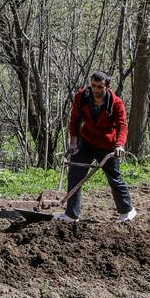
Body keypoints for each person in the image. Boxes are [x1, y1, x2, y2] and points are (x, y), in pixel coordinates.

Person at [55, 71, 136, 223]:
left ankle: (127, 210)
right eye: (93, 86)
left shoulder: (116, 103)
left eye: (100, 87)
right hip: (86, 140)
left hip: (107, 144)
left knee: (114, 177)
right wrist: (73, 142)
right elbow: (75, 120)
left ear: (107, 87)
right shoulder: (82, 97)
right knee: (75, 173)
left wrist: (119, 145)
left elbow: (122, 126)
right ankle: (72, 214)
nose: (96, 90)